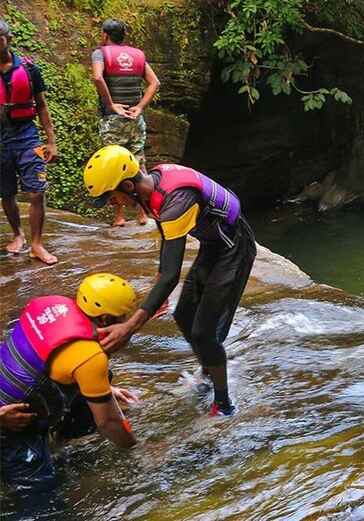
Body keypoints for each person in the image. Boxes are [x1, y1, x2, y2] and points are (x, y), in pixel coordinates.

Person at [83, 145, 256, 416]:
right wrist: (159, 285)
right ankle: (208, 374)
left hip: (234, 249)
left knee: (204, 332)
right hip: (213, 246)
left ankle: (223, 404)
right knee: (184, 314)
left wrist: (130, 327)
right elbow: (167, 242)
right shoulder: (151, 188)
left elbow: (172, 275)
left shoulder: (177, 200)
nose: (112, 203)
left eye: (111, 196)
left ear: (128, 185)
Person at [1, 274, 140, 517]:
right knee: (44, 502)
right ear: (107, 318)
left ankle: (67, 445)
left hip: (9, 398)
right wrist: (137, 449)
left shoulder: (52, 304)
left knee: (103, 379)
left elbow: (45, 359)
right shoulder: (89, 356)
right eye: (123, 318)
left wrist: (104, 389)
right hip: (11, 427)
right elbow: (108, 423)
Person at [92, 18, 160, 227]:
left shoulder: (101, 53)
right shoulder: (138, 55)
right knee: (139, 163)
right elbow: (154, 82)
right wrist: (140, 107)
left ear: (105, 35)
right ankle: (143, 214)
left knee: (112, 167)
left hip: (113, 120)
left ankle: (119, 217)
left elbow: (97, 77)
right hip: (135, 119)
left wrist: (111, 104)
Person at [0, 18, 58, 265]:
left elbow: (42, 107)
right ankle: (18, 235)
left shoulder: (30, 69)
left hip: (27, 136)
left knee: (36, 192)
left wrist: (51, 141)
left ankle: (36, 244)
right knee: (7, 193)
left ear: (9, 40)